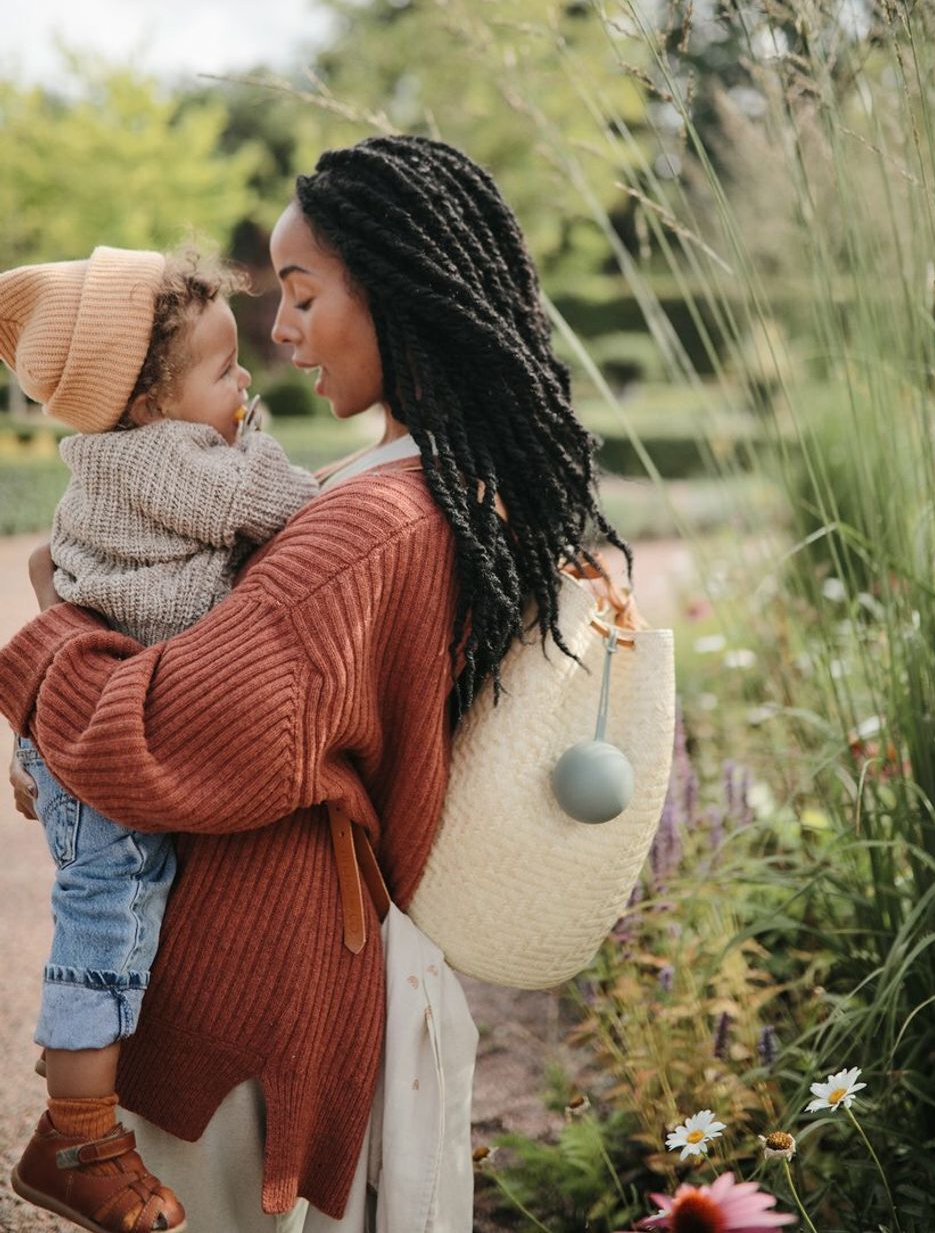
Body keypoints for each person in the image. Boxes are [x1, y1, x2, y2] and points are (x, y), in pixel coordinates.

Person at [2, 135, 630, 1232]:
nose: (278, 333)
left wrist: (49, 643)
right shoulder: (428, 490)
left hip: (260, 985)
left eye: (301, 296)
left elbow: (161, 737)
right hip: (300, 966)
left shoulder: (367, 526)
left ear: (392, 297)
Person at [0, 245, 320, 1231]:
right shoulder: (171, 461)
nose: (245, 385)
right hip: (101, 733)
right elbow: (290, 509)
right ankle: (76, 1137)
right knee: (108, 915)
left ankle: (85, 1118)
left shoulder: (121, 452)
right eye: (224, 373)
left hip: (76, 716)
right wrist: (262, 443)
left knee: (120, 909)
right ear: (146, 405)